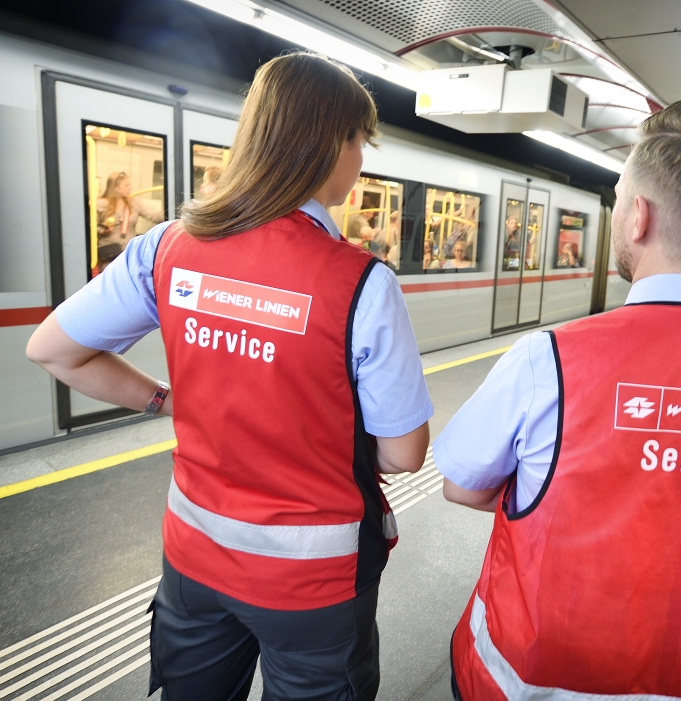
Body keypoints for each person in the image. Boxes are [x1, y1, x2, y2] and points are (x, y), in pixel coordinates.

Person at [25, 53, 433, 701]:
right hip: (312, 582)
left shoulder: (166, 246)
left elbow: (54, 349)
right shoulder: (361, 281)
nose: (362, 159)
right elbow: (404, 453)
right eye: (362, 141)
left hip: (192, 556)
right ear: (334, 141)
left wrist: (166, 399)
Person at [435, 100, 681, 700]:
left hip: (531, 683)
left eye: (620, 194)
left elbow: (463, 485)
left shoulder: (548, 360)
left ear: (638, 218)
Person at [96, 171, 166, 271]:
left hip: (128, 255)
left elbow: (153, 216)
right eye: (126, 185)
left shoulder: (134, 203)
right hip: (108, 256)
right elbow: (91, 227)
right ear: (116, 188)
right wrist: (102, 231)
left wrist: (171, 210)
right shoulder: (100, 204)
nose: (130, 188)